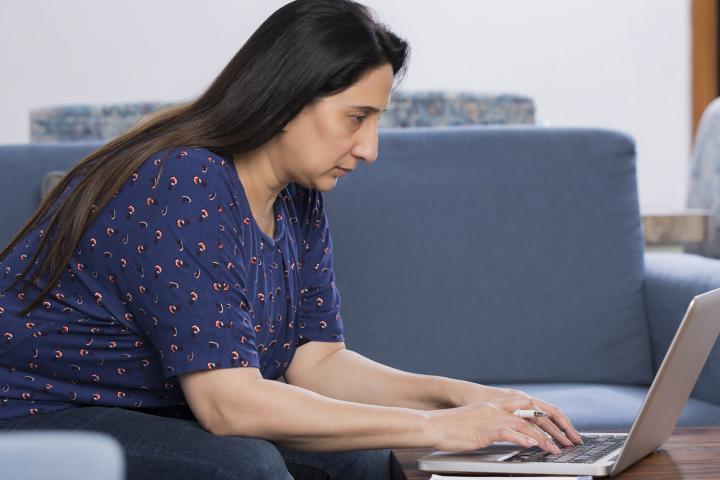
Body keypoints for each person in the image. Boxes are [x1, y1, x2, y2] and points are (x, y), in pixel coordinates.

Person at [0, 1, 583, 478]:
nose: (370, 149)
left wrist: (459, 397)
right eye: (357, 118)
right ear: (285, 101)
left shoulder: (298, 195)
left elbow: (316, 361)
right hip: (38, 412)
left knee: (362, 457)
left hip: (147, 408)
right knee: (245, 466)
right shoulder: (185, 181)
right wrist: (436, 427)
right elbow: (228, 406)